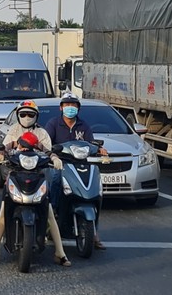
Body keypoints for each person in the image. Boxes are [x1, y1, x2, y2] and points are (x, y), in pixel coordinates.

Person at [0, 101, 70, 266]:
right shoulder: (14, 130)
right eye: (23, 114)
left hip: (38, 176)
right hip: (16, 175)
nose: (27, 117)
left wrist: (55, 158)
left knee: (49, 212)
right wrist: (1, 154)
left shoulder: (42, 132)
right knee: (3, 211)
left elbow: (47, 150)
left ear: (36, 116)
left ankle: (60, 252)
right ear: (18, 115)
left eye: (30, 114)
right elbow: (6, 146)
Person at [45, 92, 107, 250]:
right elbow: (46, 144)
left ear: (78, 108)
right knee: (57, 180)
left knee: (96, 190)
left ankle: (94, 233)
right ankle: (53, 213)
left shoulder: (84, 126)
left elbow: (91, 143)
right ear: (61, 107)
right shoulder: (53, 124)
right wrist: (53, 151)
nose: (70, 108)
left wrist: (100, 149)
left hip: (81, 164)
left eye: (73, 105)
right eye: (67, 105)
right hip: (61, 164)